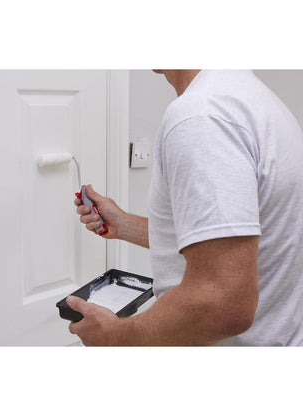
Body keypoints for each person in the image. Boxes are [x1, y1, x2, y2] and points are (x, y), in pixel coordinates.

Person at [66, 70, 303, 346]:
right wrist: (124, 225)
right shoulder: (251, 97)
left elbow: (222, 303)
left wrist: (115, 337)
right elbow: (236, 241)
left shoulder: (201, 116)